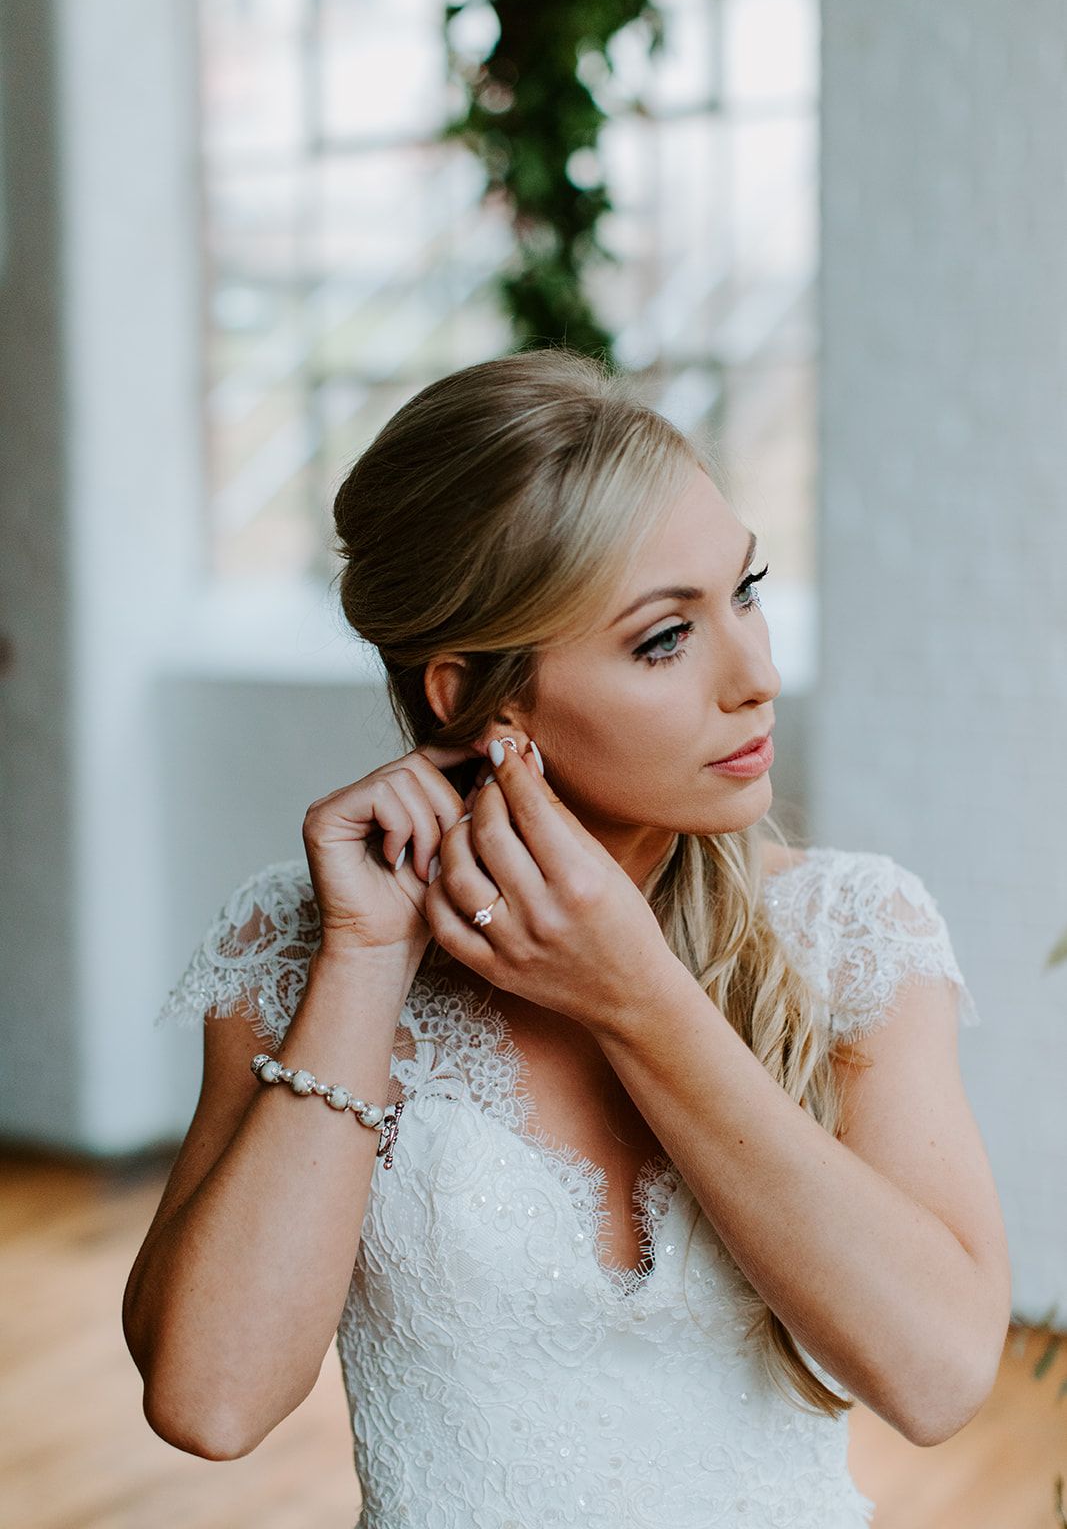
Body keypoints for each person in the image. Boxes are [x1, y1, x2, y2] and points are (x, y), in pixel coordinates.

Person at [124, 347, 1010, 1527]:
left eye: (743, 591)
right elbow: (211, 1401)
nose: (754, 677)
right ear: (470, 697)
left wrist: (636, 995)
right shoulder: (296, 947)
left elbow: (938, 1375)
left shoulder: (853, 931)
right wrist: (365, 963)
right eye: (662, 639)